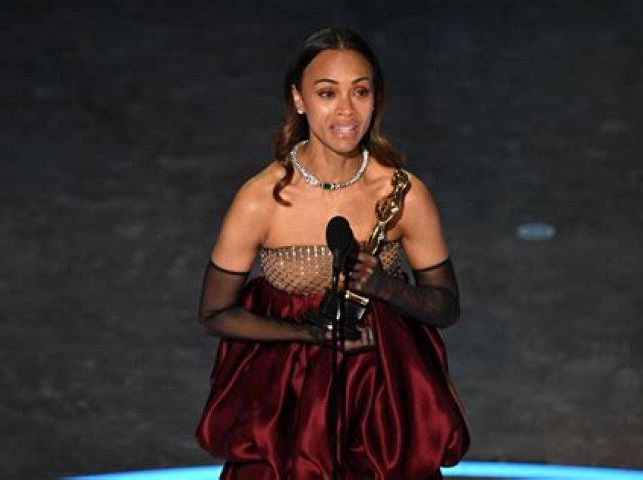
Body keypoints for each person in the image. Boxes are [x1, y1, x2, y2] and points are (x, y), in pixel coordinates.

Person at [196, 26, 469, 479]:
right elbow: (214, 313)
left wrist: (385, 287)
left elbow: (446, 306)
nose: (346, 110)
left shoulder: (402, 194)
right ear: (299, 99)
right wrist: (307, 334)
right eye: (327, 93)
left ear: (375, 100)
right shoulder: (261, 200)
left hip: (380, 402)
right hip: (288, 407)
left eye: (360, 91)